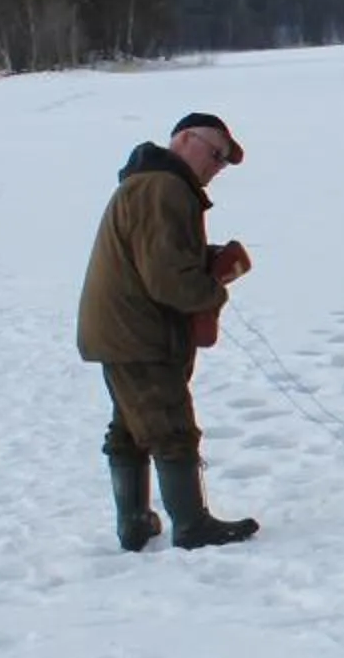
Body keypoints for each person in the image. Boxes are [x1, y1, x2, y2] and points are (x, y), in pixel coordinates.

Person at [77, 112, 259, 551]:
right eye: (215, 154)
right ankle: (193, 527)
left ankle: (135, 522)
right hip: (138, 334)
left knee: (131, 427)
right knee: (170, 425)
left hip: (118, 330)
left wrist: (205, 258)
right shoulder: (164, 188)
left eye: (223, 162)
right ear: (182, 140)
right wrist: (211, 291)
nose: (217, 167)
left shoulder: (150, 183)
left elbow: (159, 257)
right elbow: (166, 278)